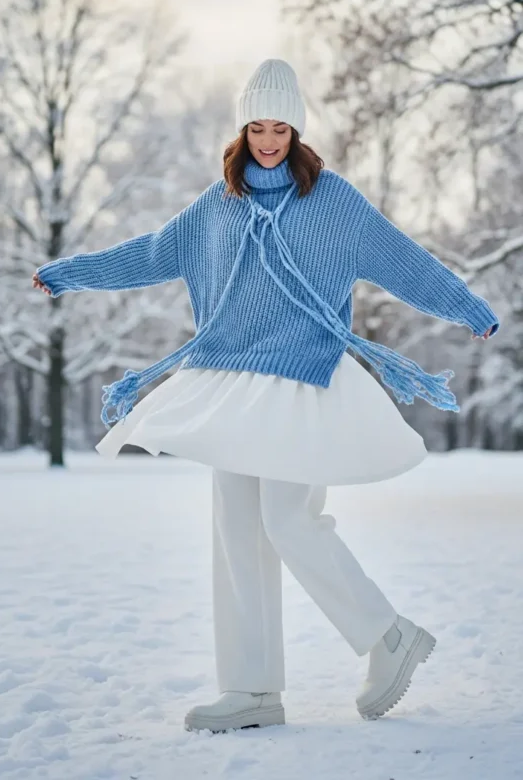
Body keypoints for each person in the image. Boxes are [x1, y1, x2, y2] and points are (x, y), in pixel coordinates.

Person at [32, 58, 499, 733]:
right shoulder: (216, 205)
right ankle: (251, 688)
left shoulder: (332, 201)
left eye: (281, 128)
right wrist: (69, 273)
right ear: (242, 131)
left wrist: (466, 307)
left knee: (288, 520)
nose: (270, 140)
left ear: (297, 130)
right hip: (232, 383)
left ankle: (387, 634)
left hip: (302, 380)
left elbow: (402, 259)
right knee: (236, 532)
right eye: (258, 127)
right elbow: (150, 253)